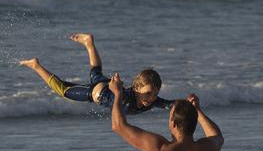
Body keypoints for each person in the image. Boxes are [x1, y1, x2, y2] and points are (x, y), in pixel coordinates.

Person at [20, 33, 170, 115]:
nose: (152, 98)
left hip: (105, 86)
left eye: (155, 94)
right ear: (136, 88)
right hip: (98, 93)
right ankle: (36, 65)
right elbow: (119, 111)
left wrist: (189, 103)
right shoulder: (126, 101)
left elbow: (172, 105)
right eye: (149, 93)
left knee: (95, 73)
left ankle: (89, 43)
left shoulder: (151, 101)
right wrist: (117, 90)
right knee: (62, 90)